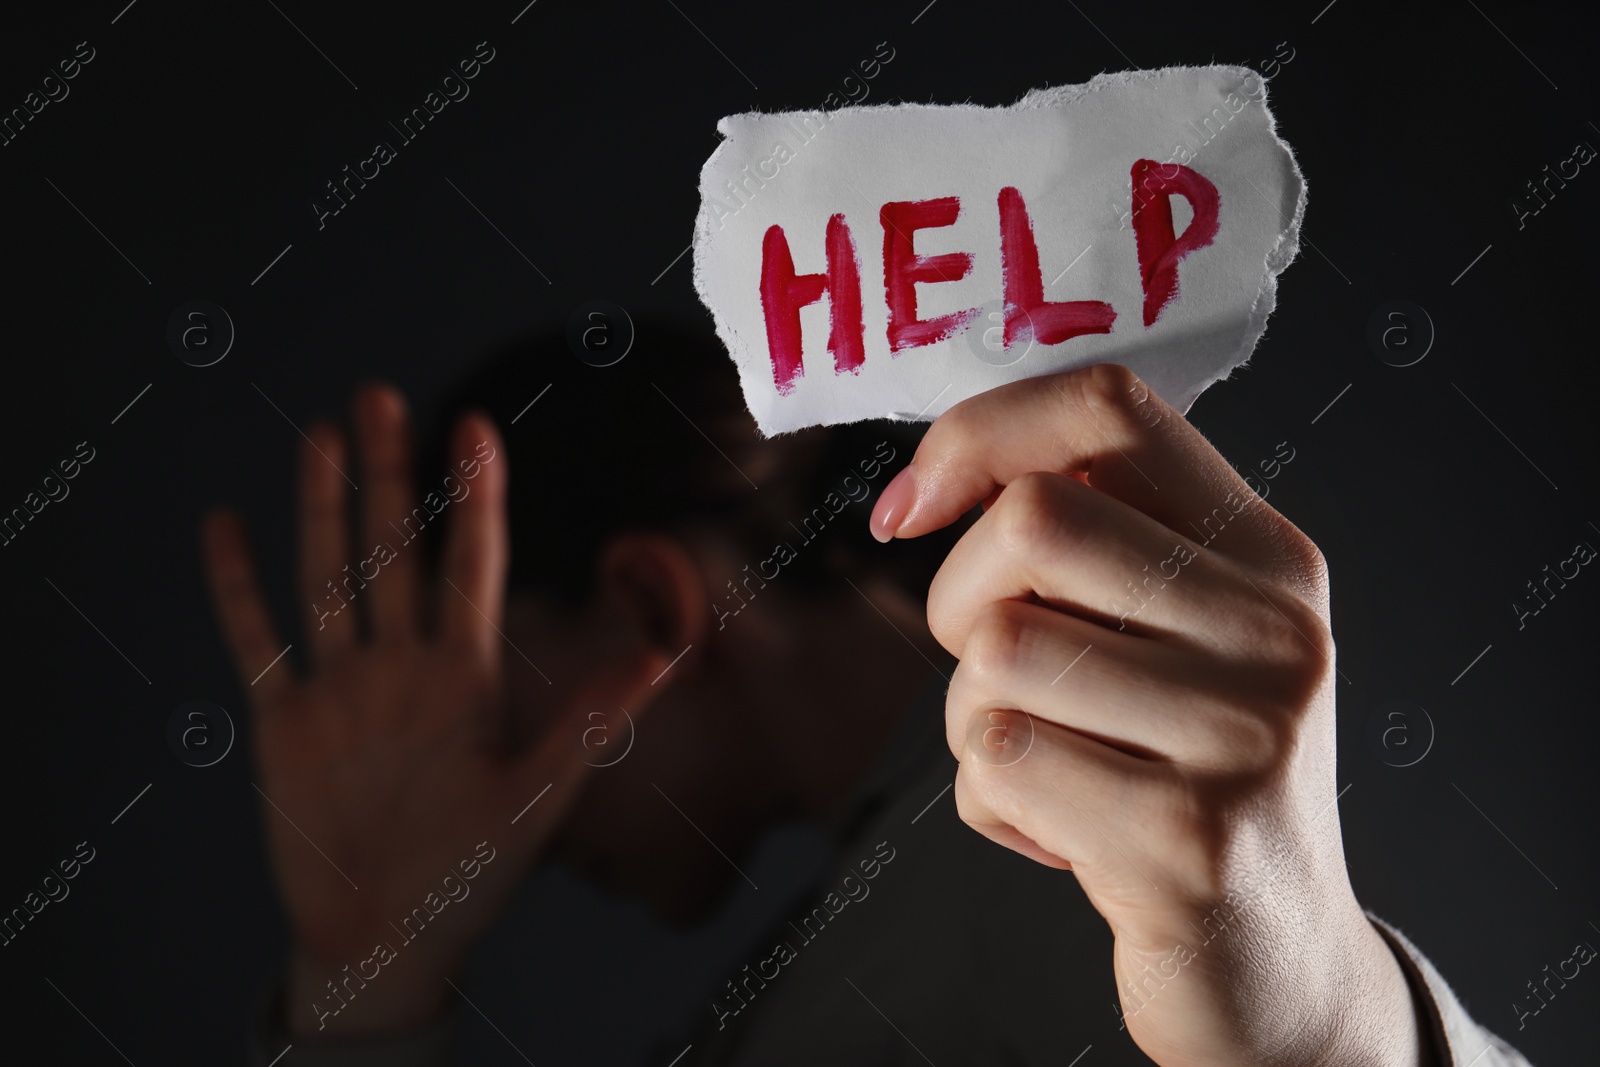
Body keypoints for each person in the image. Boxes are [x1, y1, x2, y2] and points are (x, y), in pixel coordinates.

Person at [204, 320, 1533, 1065]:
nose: (508, 834)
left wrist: (1326, 1033)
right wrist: (362, 977)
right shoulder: (918, 896)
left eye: (481, 725)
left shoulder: (1032, 870)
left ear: (661, 609)